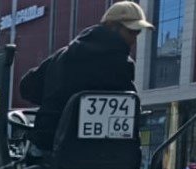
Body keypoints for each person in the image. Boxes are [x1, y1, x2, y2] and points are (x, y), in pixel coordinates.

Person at [20, 1, 152, 153]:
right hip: (108, 153)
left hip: (53, 146)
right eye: (131, 31)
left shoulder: (64, 56)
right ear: (112, 26)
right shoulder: (125, 65)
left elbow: (26, 88)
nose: (134, 39)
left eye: (137, 33)